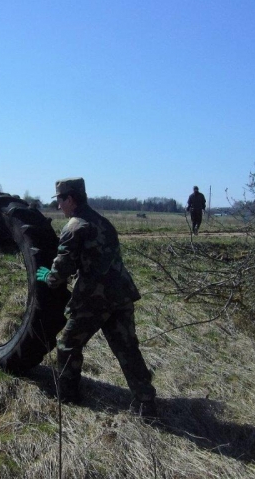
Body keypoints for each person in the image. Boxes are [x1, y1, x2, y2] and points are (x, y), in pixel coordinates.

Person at [36, 178, 157, 417]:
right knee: (127, 349)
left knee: (67, 345)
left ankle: (68, 398)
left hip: (94, 299)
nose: (59, 206)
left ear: (70, 199)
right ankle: (146, 403)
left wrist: (48, 277)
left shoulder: (74, 227)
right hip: (121, 296)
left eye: (60, 200)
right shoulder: (104, 222)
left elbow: (61, 271)